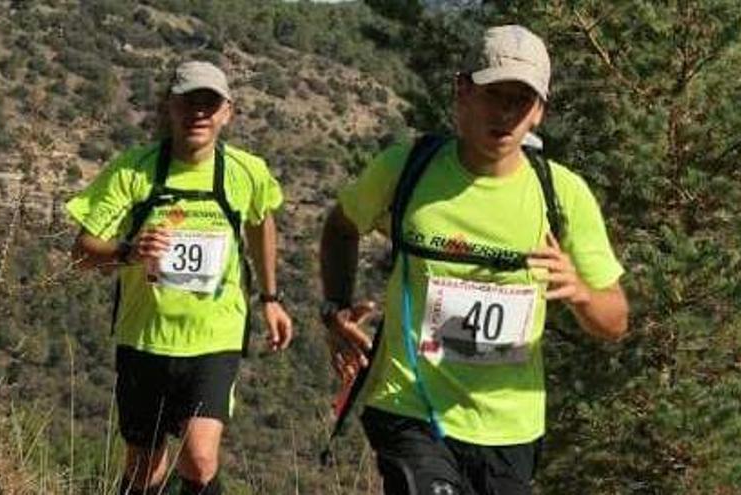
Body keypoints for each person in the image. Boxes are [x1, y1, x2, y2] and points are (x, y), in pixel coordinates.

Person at [319, 25, 628, 495]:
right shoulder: (406, 169)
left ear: (539, 113)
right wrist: (335, 306)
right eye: (494, 94)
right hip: (410, 408)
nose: (505, 113)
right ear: (462, 91)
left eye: (520, 101)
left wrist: (582, 294)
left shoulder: (562, 195)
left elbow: (615, 321)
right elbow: (341, 225)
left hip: (510, 430)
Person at [67, 60, 292, 495]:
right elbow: (82, 252)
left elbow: (262, 221)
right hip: (144, 336)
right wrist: (129, 251)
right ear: (169, 106)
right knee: (144, 465)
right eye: (189, 102)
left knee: (200, 458)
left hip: (214, 336)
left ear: (229, 112)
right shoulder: (135, 171)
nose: (199, 113)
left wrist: (271, 297)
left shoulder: (247, 172)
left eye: (210, 103)